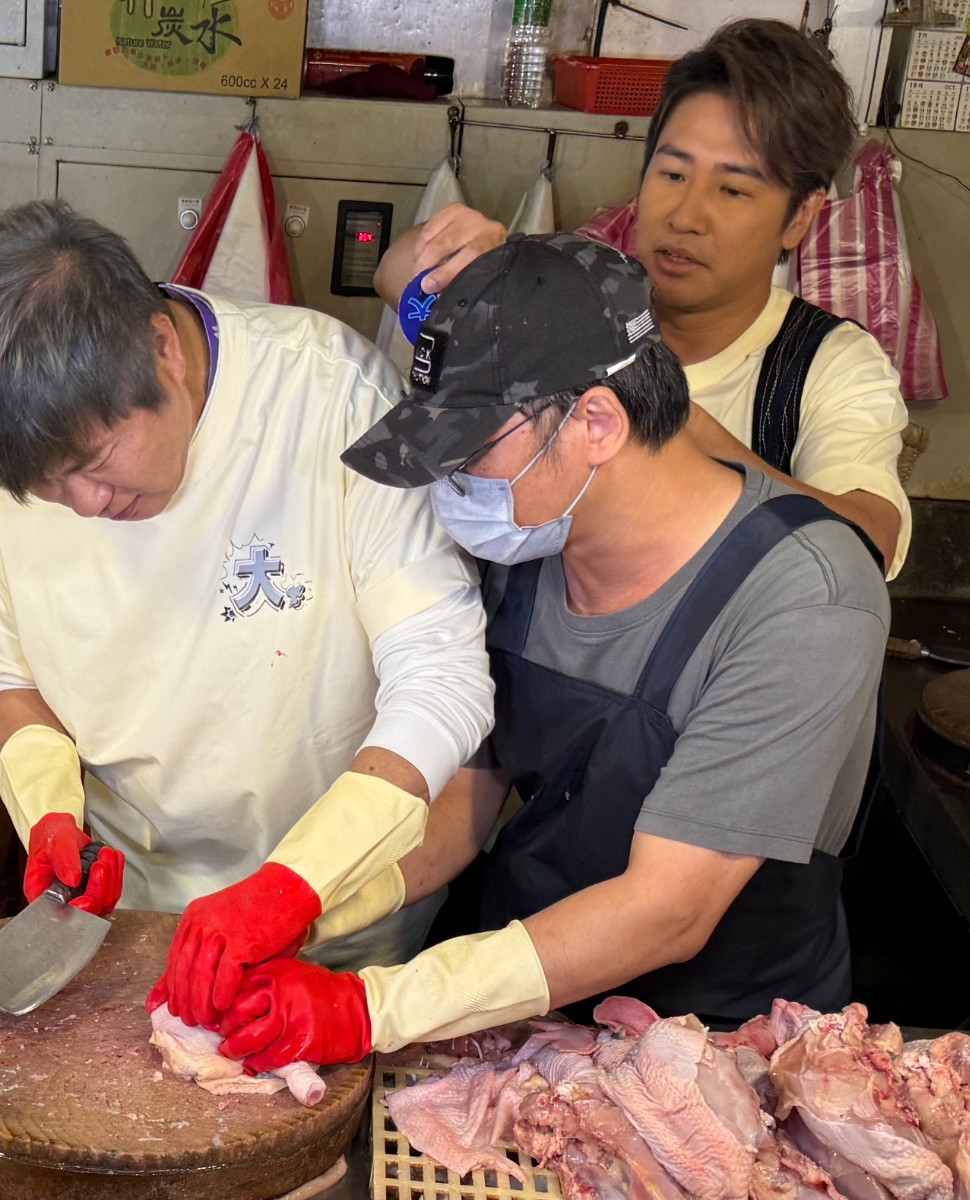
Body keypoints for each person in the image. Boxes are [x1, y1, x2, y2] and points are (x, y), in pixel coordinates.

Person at [214, 233, 887, 1074]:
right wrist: (322, 903)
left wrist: (375, 1005)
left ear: (596, 421)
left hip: (723, 1051)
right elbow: (472, 791)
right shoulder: (532, 546)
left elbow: (667, 909)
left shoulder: (805, 598)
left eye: (467, 457)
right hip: (529, 1014)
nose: (448, 491)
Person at [0, 200, 494, 1028]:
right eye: (47, 487)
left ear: (161, 349)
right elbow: (15, 681)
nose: (82, 504)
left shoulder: (328, 394)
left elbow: (444, 683)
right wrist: (48, 812)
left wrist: (294, 889)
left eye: (95, 461)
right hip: (124, 928)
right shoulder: (5, 462)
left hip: (340, 920)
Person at [375, 19, 910, 577]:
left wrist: (679, 428)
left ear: (800, 215)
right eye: (673, 173)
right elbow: (396, 275)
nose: (684, 216)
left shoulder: (828, 365)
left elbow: (867, 540)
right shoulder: (567, 299)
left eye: (732, 189)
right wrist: (473, 263)